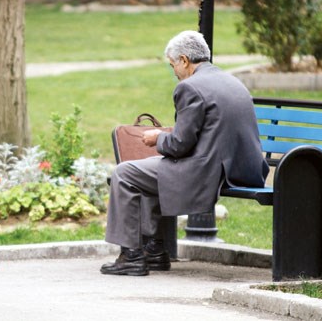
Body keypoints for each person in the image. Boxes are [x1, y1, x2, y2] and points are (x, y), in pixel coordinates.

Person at [101, 30, 270, 276]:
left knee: (125, 173)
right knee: (147, 170)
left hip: (206, 171)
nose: (174, 73)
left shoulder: (190, 87)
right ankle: (155, 252)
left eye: (173, 66)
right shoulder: (232, 81)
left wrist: (158, 137)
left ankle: (132, 256)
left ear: (184, 60)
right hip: (241, 169)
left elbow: (180, 145)